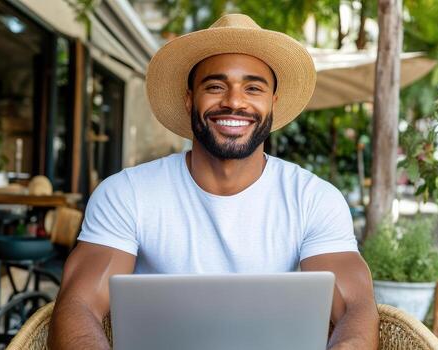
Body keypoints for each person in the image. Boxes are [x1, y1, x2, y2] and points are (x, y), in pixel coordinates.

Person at [48, 14, 379, 350]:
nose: (235, 101)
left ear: (272, 104)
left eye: (253, 88)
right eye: (216, 86)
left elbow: (355, 307)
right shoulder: (126, 194)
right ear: (190, 99)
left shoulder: (314, 199)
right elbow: (78, 305)